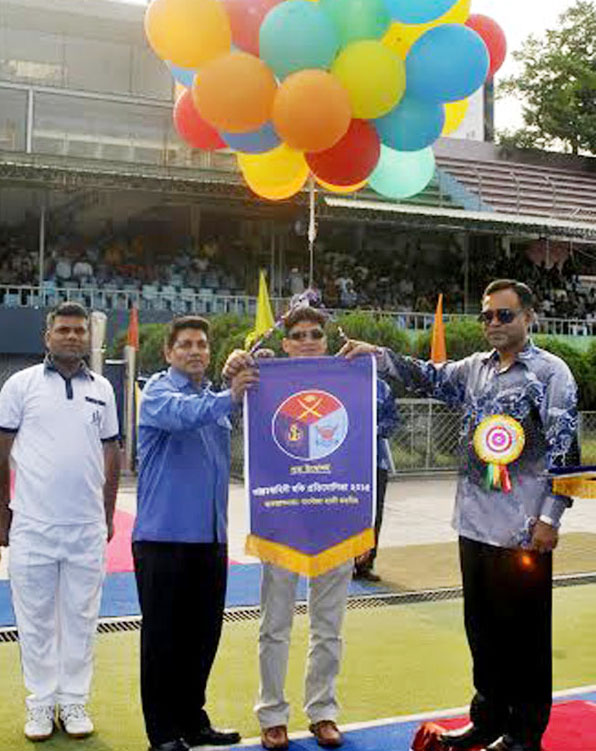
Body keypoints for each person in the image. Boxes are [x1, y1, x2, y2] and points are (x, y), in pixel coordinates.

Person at [341, 280, 579, 751]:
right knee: (483, 630)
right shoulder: (475, 371)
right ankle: (487, 720)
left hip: (523, 530)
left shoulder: (552, 374)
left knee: (525, 637)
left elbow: (567, 453)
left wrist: (551, 518)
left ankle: (525, 734)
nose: (494, 324)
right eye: (487, 316)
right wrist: (378, 355)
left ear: (529, 317)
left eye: (504, 315)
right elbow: (427, 376)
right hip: (472, 523)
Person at [226, 305, 392, 751]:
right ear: (285, 342)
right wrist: (235, 366)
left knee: (329, 627)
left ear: (326, 337)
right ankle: (273, 715)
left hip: (336, 519)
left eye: (314, 333)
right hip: (281, 519)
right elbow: (231, 409)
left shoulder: (354, 379)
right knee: (274, 625)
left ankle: (323, 712)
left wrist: (372, 368)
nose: (306, 339)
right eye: (297, 334)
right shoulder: (261, 381)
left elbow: (376, 430)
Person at [133, 316, 257, 751]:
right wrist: (230, 394)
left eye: (201, 345)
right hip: (163, 539)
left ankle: (192, 720)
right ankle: (162, 732)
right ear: (168, 353)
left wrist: (252, 370)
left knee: (202, 637)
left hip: (210, 538)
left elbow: (242, 407)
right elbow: (185, 416)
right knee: (162, 640)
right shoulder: (157, 394)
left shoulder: (215, 399)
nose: (194, 351)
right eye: (184, 344)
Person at [0, 301, 121, 741]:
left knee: (81, 619)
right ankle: (39, 705)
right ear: (46, 337)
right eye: (63, 330)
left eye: (79, 330)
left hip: (85, 527)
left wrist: (107, 514)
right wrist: (2, 511)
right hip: (32, 524)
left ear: (88, 337)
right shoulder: (20, 385)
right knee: (34, 621)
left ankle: (72, 702)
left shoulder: (103, 389)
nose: (72, 336)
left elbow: (111, 453)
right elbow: (2, 448)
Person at [353, 378, 398, 582]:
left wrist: (373, 430)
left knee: (373, 516)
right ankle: (342, 564)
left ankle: (365, 565)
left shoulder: (382, 386)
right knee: (344, 514)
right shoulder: (336, 380)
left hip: (376, 463)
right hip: (343, 466)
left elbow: (393, 420)